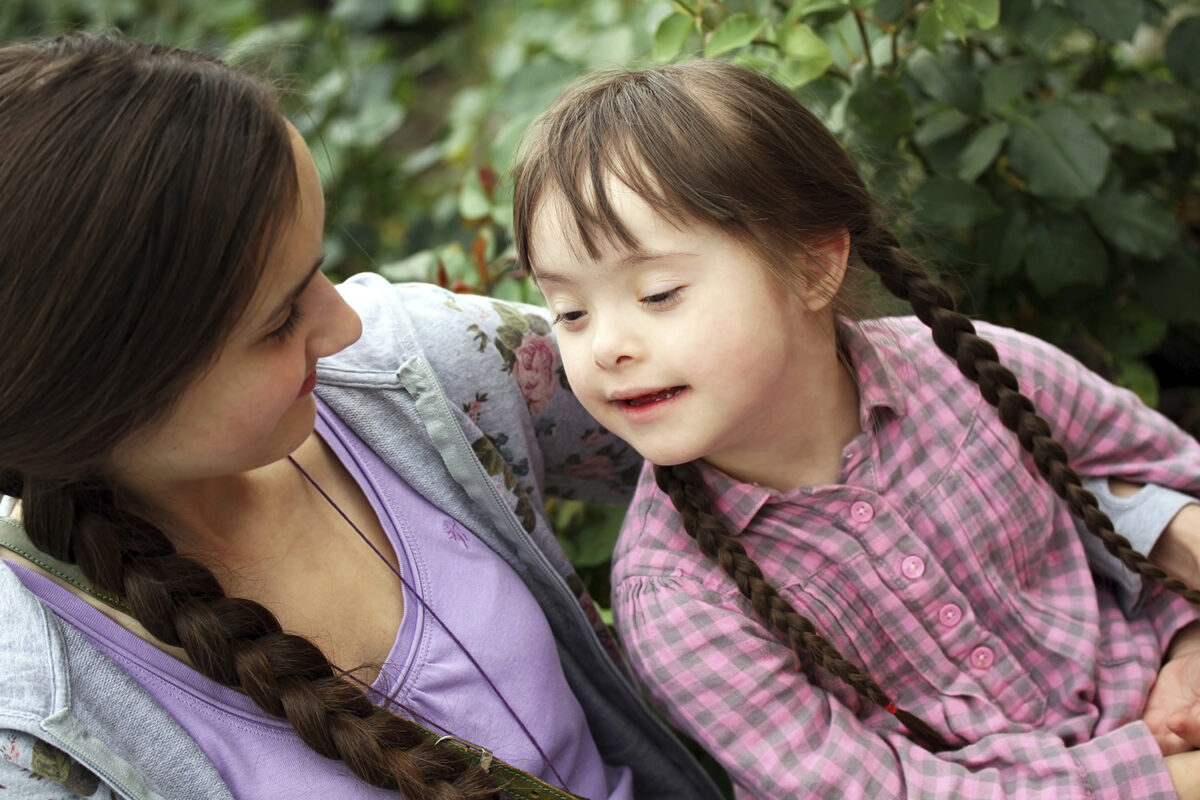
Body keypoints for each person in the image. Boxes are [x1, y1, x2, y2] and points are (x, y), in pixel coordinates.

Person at [0, 34, 729, 800]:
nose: (344, 326)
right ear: (104, 391)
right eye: (280, 320)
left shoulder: (419, 375)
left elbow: (769, 419)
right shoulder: (41, 738)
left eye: (320, 270)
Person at [512, 59, 1200, 798]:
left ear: (813, 266)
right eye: (571, 312)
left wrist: (1187, 646)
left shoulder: (969, 372)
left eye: (657, 292)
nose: (607, 345)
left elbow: (1170, 472)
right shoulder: (679, 598)